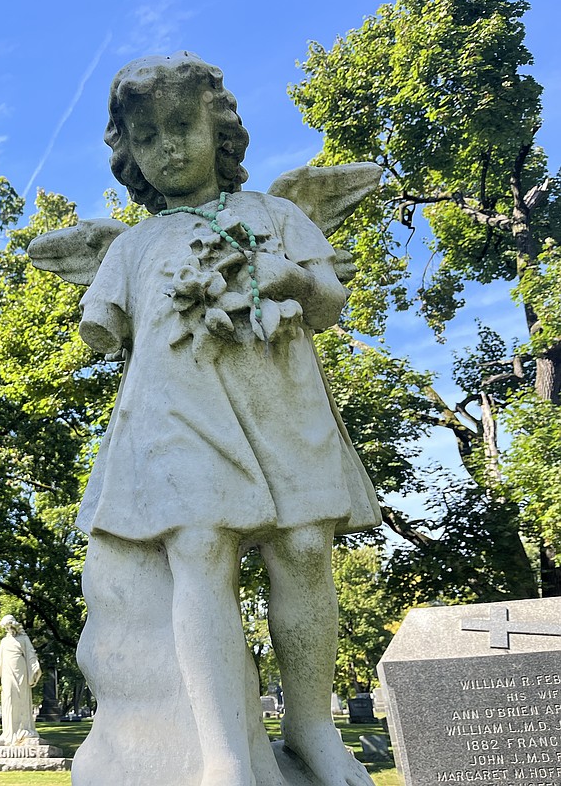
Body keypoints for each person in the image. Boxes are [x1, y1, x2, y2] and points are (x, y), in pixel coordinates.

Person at [70, 52, 381, 786]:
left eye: (182, 126)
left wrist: (298, 279)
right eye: (147, 137)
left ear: (222, 131)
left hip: (283, 401)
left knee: (304, 548)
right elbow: (102, 324)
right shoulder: (136, 244)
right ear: (131, 156)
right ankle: (221, 755)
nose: (168, 146)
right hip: (177, 412)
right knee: (201, 553)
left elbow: (331, 303)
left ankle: (311, 727)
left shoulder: (276, 214)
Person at [0, 614, 42, 744]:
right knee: (8, 698)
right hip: (6, 672)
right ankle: (9, 732)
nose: (9, 630)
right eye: (6, 628)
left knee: (21, 698)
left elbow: (31, 654)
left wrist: (35, 666)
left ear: (14, 626)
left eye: (10, 626)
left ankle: (24, 729)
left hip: (21, 671)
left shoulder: (23, 638)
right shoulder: (4, 641)